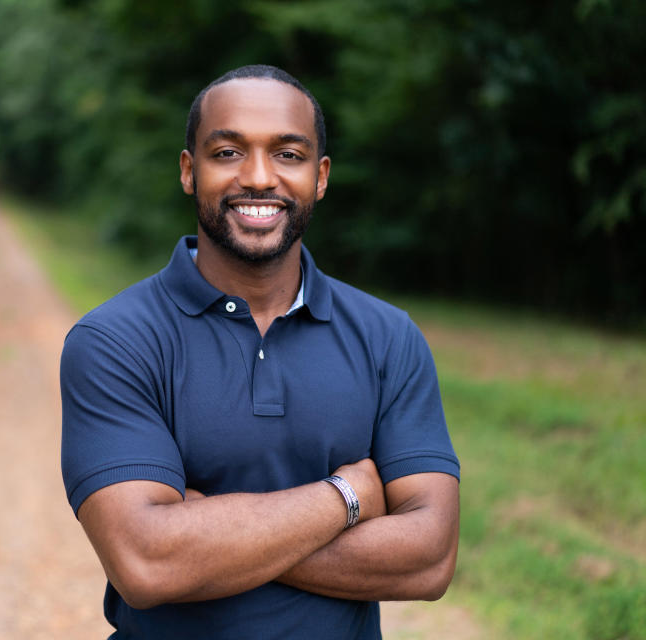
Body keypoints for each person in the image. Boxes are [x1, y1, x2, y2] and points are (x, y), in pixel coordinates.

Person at [60, 64, 460, 639]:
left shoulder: (388, 337)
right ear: (188, 171)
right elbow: (146, 563)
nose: (258, 177)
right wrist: (348, 497)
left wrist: (206, 533)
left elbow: (430, 556)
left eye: (288, 155)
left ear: (320, 177)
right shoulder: (115, 340)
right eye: (227, 152)